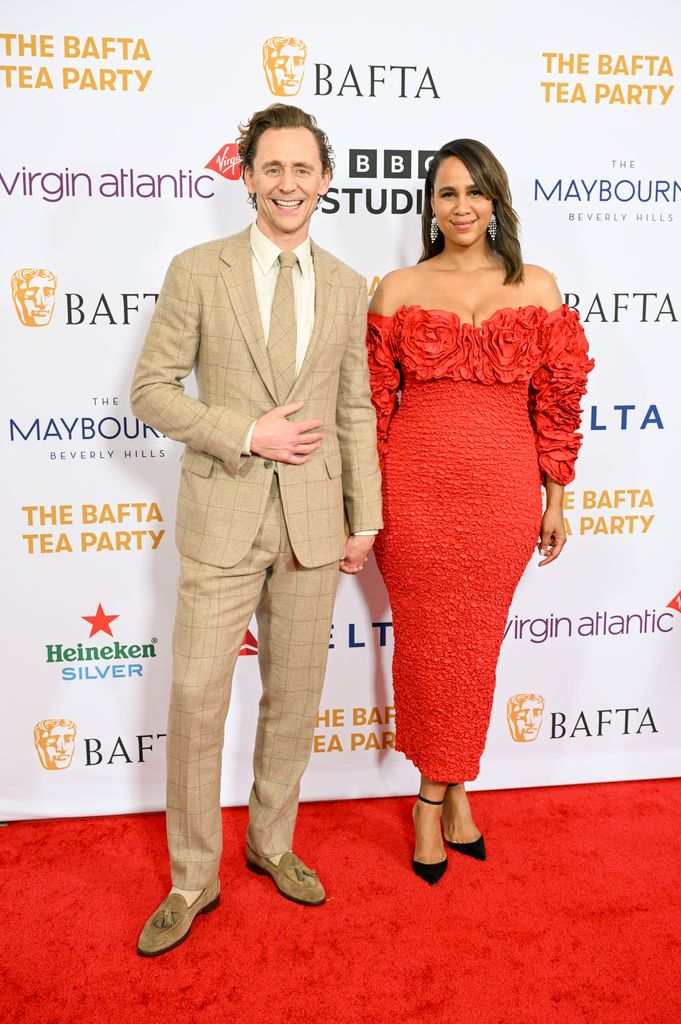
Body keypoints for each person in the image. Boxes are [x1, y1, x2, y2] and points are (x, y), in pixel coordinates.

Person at [131, 103, 382, 955]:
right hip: (224, 513)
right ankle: (191, 879)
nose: (288, 184)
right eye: (271, 168)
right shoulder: (197, 270)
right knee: (199, 698)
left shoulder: (350, 285)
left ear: (324, 180)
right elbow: (152, 390)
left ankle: (271, 843)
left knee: (294, 701)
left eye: (303, 169)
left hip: (314, 524)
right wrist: (245, 432)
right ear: (245, 177)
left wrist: (366, 519)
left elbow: (353, 409)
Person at [366, 138, 593, 884]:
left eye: (474, 191)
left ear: (495, 200)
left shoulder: (537, 285)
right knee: (429, 645)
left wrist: (555, 496)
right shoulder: (397, 287)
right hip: (414, 490)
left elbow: (556, 402)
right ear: (428, 204)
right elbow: (368, 409)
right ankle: (436, 801)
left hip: (501, 490)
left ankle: (448, 792)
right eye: (446, 193)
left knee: (475, 646)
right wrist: (363, 502)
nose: (460, 206)